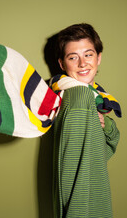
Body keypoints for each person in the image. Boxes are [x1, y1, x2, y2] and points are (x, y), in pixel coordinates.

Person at [51, 23, 120, 218]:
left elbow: (102, 151)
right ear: (62, 64)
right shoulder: (79, 97)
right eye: (73, 57)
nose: (82, 63)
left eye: (88, 55)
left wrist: (106, 125)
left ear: (98, 58)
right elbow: (75, 176)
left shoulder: (91, 96)